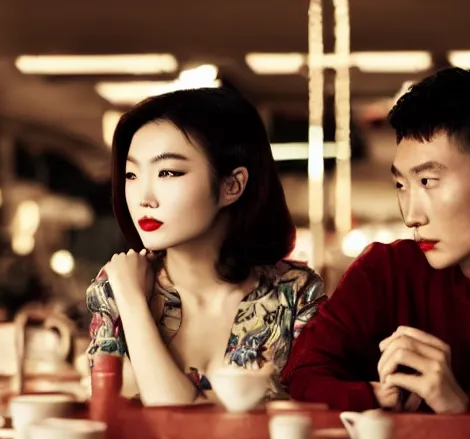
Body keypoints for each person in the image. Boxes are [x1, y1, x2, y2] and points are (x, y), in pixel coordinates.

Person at [282, 67, 470, 414]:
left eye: (428, 181)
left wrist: (463, 408)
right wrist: (376, 396)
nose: (411, 215)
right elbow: (300, 378)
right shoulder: (386, 271)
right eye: (401, 185)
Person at [85, 87, 325, 406]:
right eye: (131, 174)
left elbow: (319, 416)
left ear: (232, 185)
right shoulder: (117, 285)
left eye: (167, 172)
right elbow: (110, 416)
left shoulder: (295, 293)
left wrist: (132, 304)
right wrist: (131, 302)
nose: (144, 197)